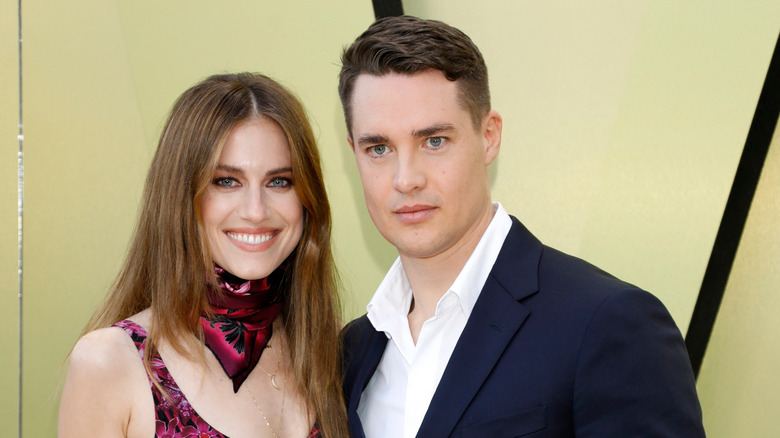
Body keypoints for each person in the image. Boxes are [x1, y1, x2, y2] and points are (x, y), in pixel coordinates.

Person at [338, 15, 705, 437]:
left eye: (434, 141)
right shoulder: (351, 353)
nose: (406, 179)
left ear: (489, 136)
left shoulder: (606, 324)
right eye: (379, 148)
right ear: (355, 153)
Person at [59, 73, 348, 438]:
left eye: (280, 181)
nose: (256, 211)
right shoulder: (110, 362)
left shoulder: (333, 348)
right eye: (226, 181)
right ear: (180, 196)